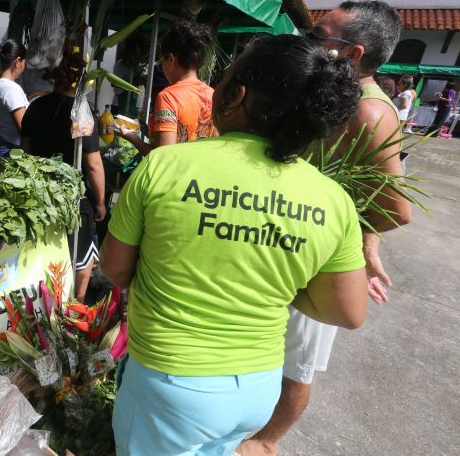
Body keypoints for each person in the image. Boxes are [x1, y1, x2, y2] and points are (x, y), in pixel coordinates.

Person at [100, 34, 368, 456]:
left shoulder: (165, 165)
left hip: (172, 385)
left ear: (235, 95)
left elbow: (114, 269)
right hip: (259, 387)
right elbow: (349, 311)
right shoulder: (332, 199)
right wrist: (269, 284)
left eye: (222, 79)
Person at [239, 0, 411, 456]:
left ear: (353, 54)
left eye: (318, 36)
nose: (307, 42)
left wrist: (357, 239)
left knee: (297, 361)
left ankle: (265, 442)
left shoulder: (370, 113)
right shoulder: (336, 93)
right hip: (292, 242)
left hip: (315, 252)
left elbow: (394, 206)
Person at [21, 54, 106, 301]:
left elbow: (24, 151)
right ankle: (77, 304)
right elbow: (94, 165)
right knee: (82, 251)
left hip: (38, 195)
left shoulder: (35, 107)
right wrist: (100, 202)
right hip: (73, 198)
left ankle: (46, 301)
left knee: (44, 249)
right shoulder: (81, 112)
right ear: (81, 81)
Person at [117, 21, 215, 155]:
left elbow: (163, 155)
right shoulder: (212, 94)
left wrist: (132, 138)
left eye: (161, 61)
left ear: (171, 59)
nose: (161, 66)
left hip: (176, 175)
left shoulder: (169, 97)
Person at [0, 39, 30, 159]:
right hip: (11, 149)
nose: (24, 66)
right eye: (24, 62)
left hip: (0, 142)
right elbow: (24, 128)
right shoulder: (12, 89)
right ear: (17, 61)